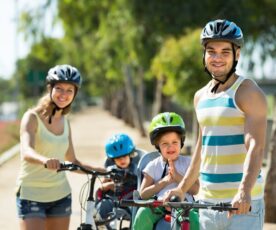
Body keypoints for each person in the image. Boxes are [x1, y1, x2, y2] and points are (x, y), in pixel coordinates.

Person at [164, 19, 267, 230]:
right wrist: (182, 189)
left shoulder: (247, 92)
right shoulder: (200, 97)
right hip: (207, 203)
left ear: (237, 55)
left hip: (242, 205)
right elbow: (202, 149)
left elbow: (256, 148)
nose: (217, 58)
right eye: (211, 51)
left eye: (225, 52)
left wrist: (244, 190)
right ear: (204, 55)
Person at [15, 64, 100, 230]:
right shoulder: (32, 117)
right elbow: (26, 151)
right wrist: (45, 160)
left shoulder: (65, 122)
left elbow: (72, 161)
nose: (64, 94)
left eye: (70, 90)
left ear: (75, 94)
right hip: (31, 194)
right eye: (59, 88)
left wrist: (102, 171)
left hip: (60, 196)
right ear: (50, 88)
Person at [133, 112, 199, 230]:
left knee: (195, 219)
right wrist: (164, 181)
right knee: (142, 213)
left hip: (184, 207)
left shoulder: (189, 163)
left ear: (181, 142)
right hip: (158, 206)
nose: (170, 147)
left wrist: (177, 177)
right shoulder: (153, 165)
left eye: (175, 142)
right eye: (165, 143)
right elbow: (143, 194)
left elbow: (195, 190)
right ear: (157, 145)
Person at [96, 133, 138, 222]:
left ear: (130, 154)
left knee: (137, 209)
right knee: (103, 204)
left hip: (131, 202)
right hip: (114, 201)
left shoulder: (136, 169)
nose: (122, 160)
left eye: (124, 156)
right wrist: (110, 185)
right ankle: (101, 224)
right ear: (113, 159)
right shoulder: (110, 170)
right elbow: (101, 187)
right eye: (118, 158)